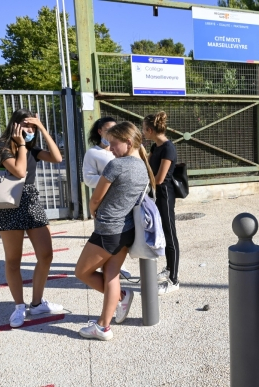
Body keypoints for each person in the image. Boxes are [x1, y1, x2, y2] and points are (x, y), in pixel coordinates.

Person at [74, 122, 155, 340]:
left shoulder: (116, 165)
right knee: (110, 276)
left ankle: (120, 299)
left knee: (81, 272)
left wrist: (93, 211)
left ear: (128, 142)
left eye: (114, 143)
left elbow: (96, 198)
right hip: (126, 230)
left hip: (108, 229)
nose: (110, 148)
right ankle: (103, 325)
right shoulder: (143, 167)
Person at [0, 109, 64, 328]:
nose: (29, 130)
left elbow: (57, 158)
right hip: (9, 203)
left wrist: (41, 128)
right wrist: (20, 144)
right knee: (13, 260)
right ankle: (19, 306)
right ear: (14, 126)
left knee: (46, 254)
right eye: (26, 126)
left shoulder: (32, 148)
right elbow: (20, 172)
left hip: (31, 202)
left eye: (32, 127)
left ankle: (37, 302)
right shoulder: (2, 146)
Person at [82, 116, 132, 279]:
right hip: (104, 201)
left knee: (122, 233)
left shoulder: (121, 148)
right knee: (106, 236)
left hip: (123, 200)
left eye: (115, 129)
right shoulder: (93, 153)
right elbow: (88, 178)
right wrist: (108, 181)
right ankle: (106, 266)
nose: (112, 133)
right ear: (100, 131)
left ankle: (118, 266)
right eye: (108, 129)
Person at [143, 111, 180, 295]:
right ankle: (168, 268)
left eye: (143, 129)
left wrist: (148, 177)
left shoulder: (168, 148)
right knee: (163, 234)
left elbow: (158, 179)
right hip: (155, 196)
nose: (143, 132)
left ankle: (174, 280)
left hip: (165, 195)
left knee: (170, 234)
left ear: (150, 130)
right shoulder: (154, 147)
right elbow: (147, 168)